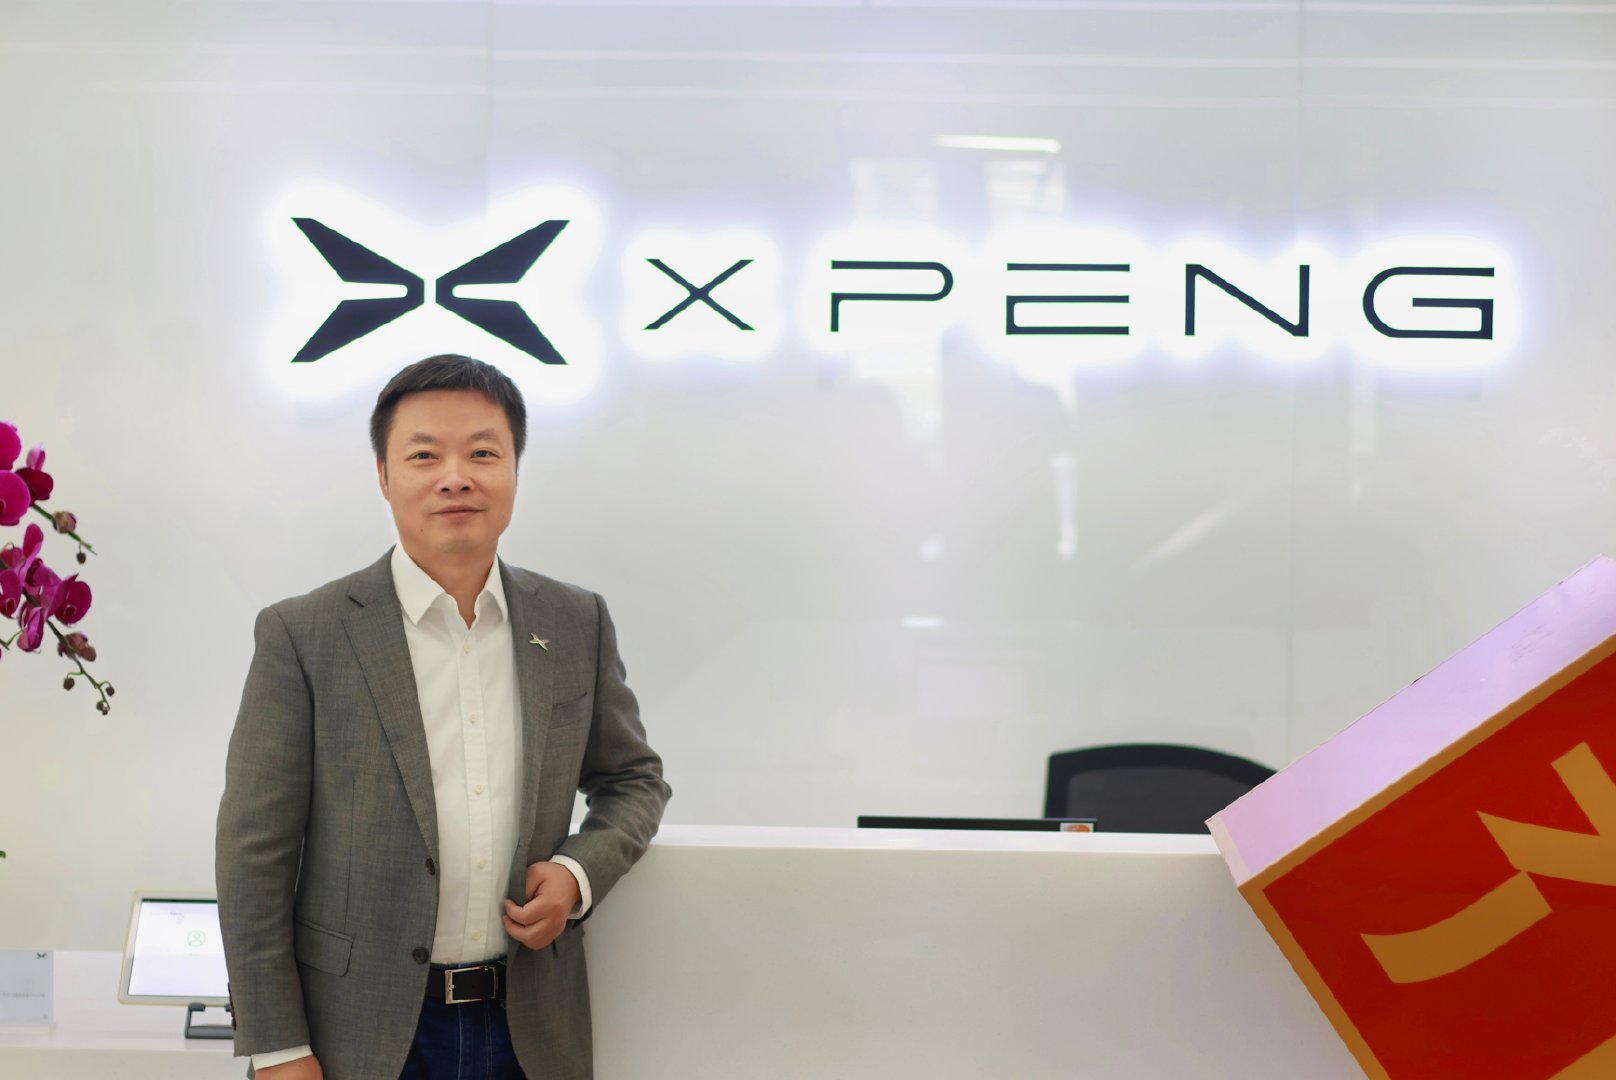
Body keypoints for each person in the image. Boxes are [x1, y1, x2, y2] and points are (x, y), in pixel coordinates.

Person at [215, 354, 670, 1080]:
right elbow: (253, 855)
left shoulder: (574, 621)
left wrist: (577, 874)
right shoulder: (304, 634)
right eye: (424, 455)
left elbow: (635, 779)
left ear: (515, 469)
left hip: (531, 1026)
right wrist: (277, 1046)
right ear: (383, 475)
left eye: (483, 453)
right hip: (359, 1034)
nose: (455, 477)